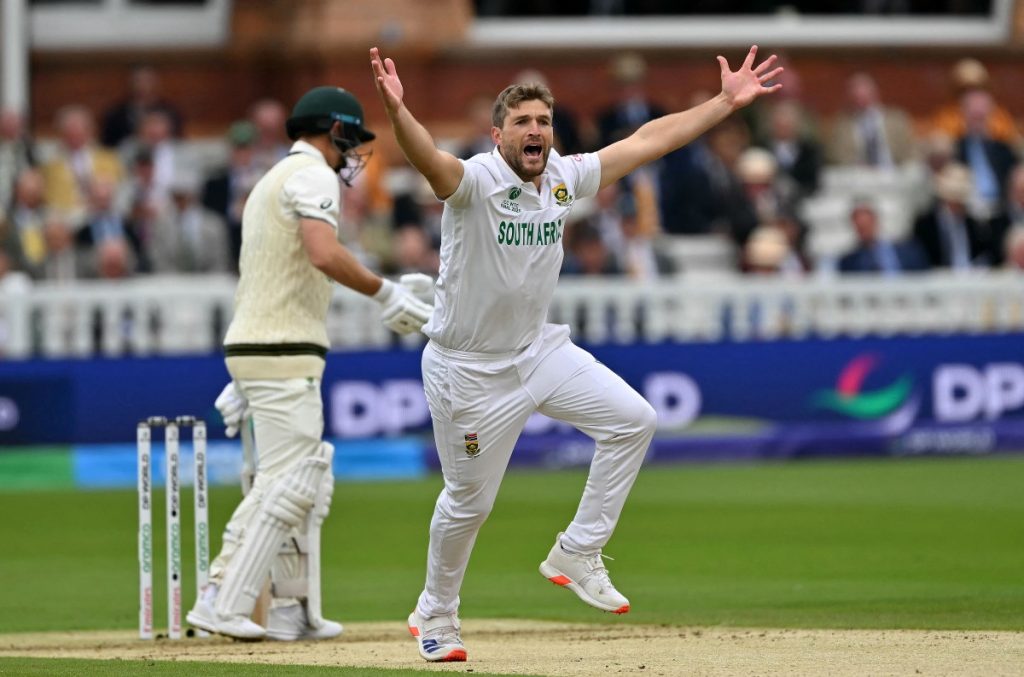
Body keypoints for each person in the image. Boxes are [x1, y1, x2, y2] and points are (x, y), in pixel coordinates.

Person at [370, 43, 782, 663]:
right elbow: (429, 160)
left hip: (536, 350)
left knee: (634, 420)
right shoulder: (477, 181)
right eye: (522, 122)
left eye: (543, 120)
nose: (535, 130)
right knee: (469, 503)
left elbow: (647, 142)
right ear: (498, 135)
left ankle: (578, 550)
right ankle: (435, 612)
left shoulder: (563, 176)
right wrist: (398, 112)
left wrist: (723, 103)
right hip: (468, 371)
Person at [185, 85, 433, 642]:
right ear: (335, 130)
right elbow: (323, 253)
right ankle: (222, 600)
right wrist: (385, 292)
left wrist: (244, 375)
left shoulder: (272, 178)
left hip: (263, 346)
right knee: (290, 482)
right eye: (352, 138)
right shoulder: (314, 176)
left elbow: (279, 268)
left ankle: (290, 611)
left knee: (304, 482)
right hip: (281, 349)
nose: (355, 152)